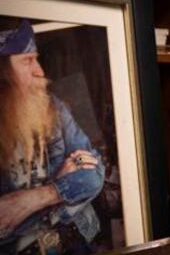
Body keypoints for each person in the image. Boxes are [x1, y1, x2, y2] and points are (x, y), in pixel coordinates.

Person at [0, 20, 105, 254]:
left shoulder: (54, 107)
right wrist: (63, 190)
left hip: (76, 240)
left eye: (36, 58)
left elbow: (94, 175)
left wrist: (36, 198)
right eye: (27, 61)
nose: (40, 71)